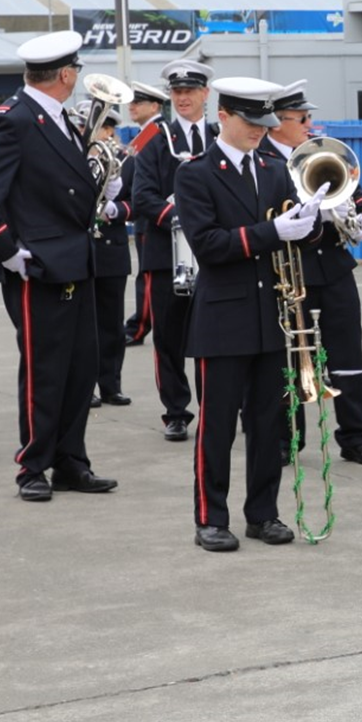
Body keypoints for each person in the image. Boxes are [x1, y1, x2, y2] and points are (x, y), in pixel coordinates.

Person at [0, 31, 120, 502]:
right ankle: (32, 466)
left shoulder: (57, 117)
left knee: (80, 367)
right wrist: (7, 251)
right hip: (39, 264)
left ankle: (71, 461)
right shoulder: (14, 119)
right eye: (76, 71)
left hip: (75, 258)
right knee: (44, 370)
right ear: (66, 74)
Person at [179, 78, 326, 551]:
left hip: (272, 315)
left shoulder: (274, 168)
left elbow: (295, 234)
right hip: (223, 318)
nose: (260, 130)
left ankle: (263, 514)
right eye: (250, 121)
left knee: (268, 423)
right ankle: (211, 518)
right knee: (218, 425)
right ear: (223, 116)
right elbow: (209, 245)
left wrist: (311, 222)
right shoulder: (196, 173)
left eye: (265, 122)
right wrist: (272, 231)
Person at [265, 80, 362, 465]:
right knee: (290, 359)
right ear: (276, 122)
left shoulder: (322, 152)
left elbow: (359, 195)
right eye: (301, 118)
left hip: (334, 268)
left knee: (348, 354)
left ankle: (356, 436)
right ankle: (286, 438)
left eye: (308, 117)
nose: (309, 124)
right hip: (289, 272)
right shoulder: (264, 161)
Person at [130, 59, 217, 441]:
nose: (183, 98)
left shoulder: (219, 136)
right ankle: (176, 412)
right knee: (168, 337)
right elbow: (142, 196)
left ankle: (216, 407)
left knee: (214, 336)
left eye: (190, 91)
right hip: (166, 254)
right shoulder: (157, 138)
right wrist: (180, 217)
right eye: (177, 92)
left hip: (213, 255)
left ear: (205, 94)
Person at [80, 103, 134, 410]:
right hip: (81, 249)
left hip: (111, 249)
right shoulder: (74, 158)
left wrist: (116, 210)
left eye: (104, 128)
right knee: (84, 325)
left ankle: (111, 384)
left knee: (112, 325)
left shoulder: (123, 159)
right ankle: (85, 386)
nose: (99, 133)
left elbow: (138, 201)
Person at [121, 80, 169, 347]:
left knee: (149, 278)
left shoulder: (154, 133)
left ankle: (138, 327)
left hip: (151, 216)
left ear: (154, 106)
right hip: (144, 214)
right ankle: (139, 324)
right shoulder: (146, 133)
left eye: (138, 102)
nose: (132, 106)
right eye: (131, 102)